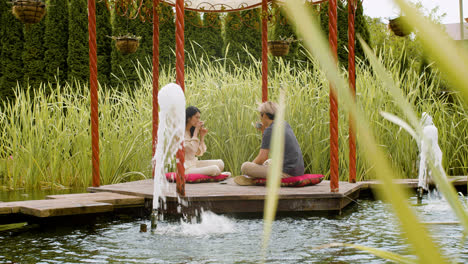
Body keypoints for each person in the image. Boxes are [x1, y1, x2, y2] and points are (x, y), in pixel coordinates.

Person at [234, 101, 305, 186]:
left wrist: (251, 168)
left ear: (264, 115)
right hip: (298, 170)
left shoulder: (270, 130)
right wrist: (264, 130)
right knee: (269, 161)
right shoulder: (284, 124)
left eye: (260, 115)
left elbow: (261, 158)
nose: (260, 118)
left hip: (286, 173)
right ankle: (256, 177)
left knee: (245, 167)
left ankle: (250, 178)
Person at [184, 106, 225, 176]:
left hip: (194, 163)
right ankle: (216, 173)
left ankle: (215, 173)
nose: (198, 120)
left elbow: (199, 153)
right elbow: (192, 149)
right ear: (188, 118)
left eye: (199, 118)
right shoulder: (181, 133)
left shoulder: (191, 132)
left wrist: (202, 136)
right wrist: (196, 130)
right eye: (196, 117)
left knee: (220, 163)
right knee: (214, 169)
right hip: (186, 167)